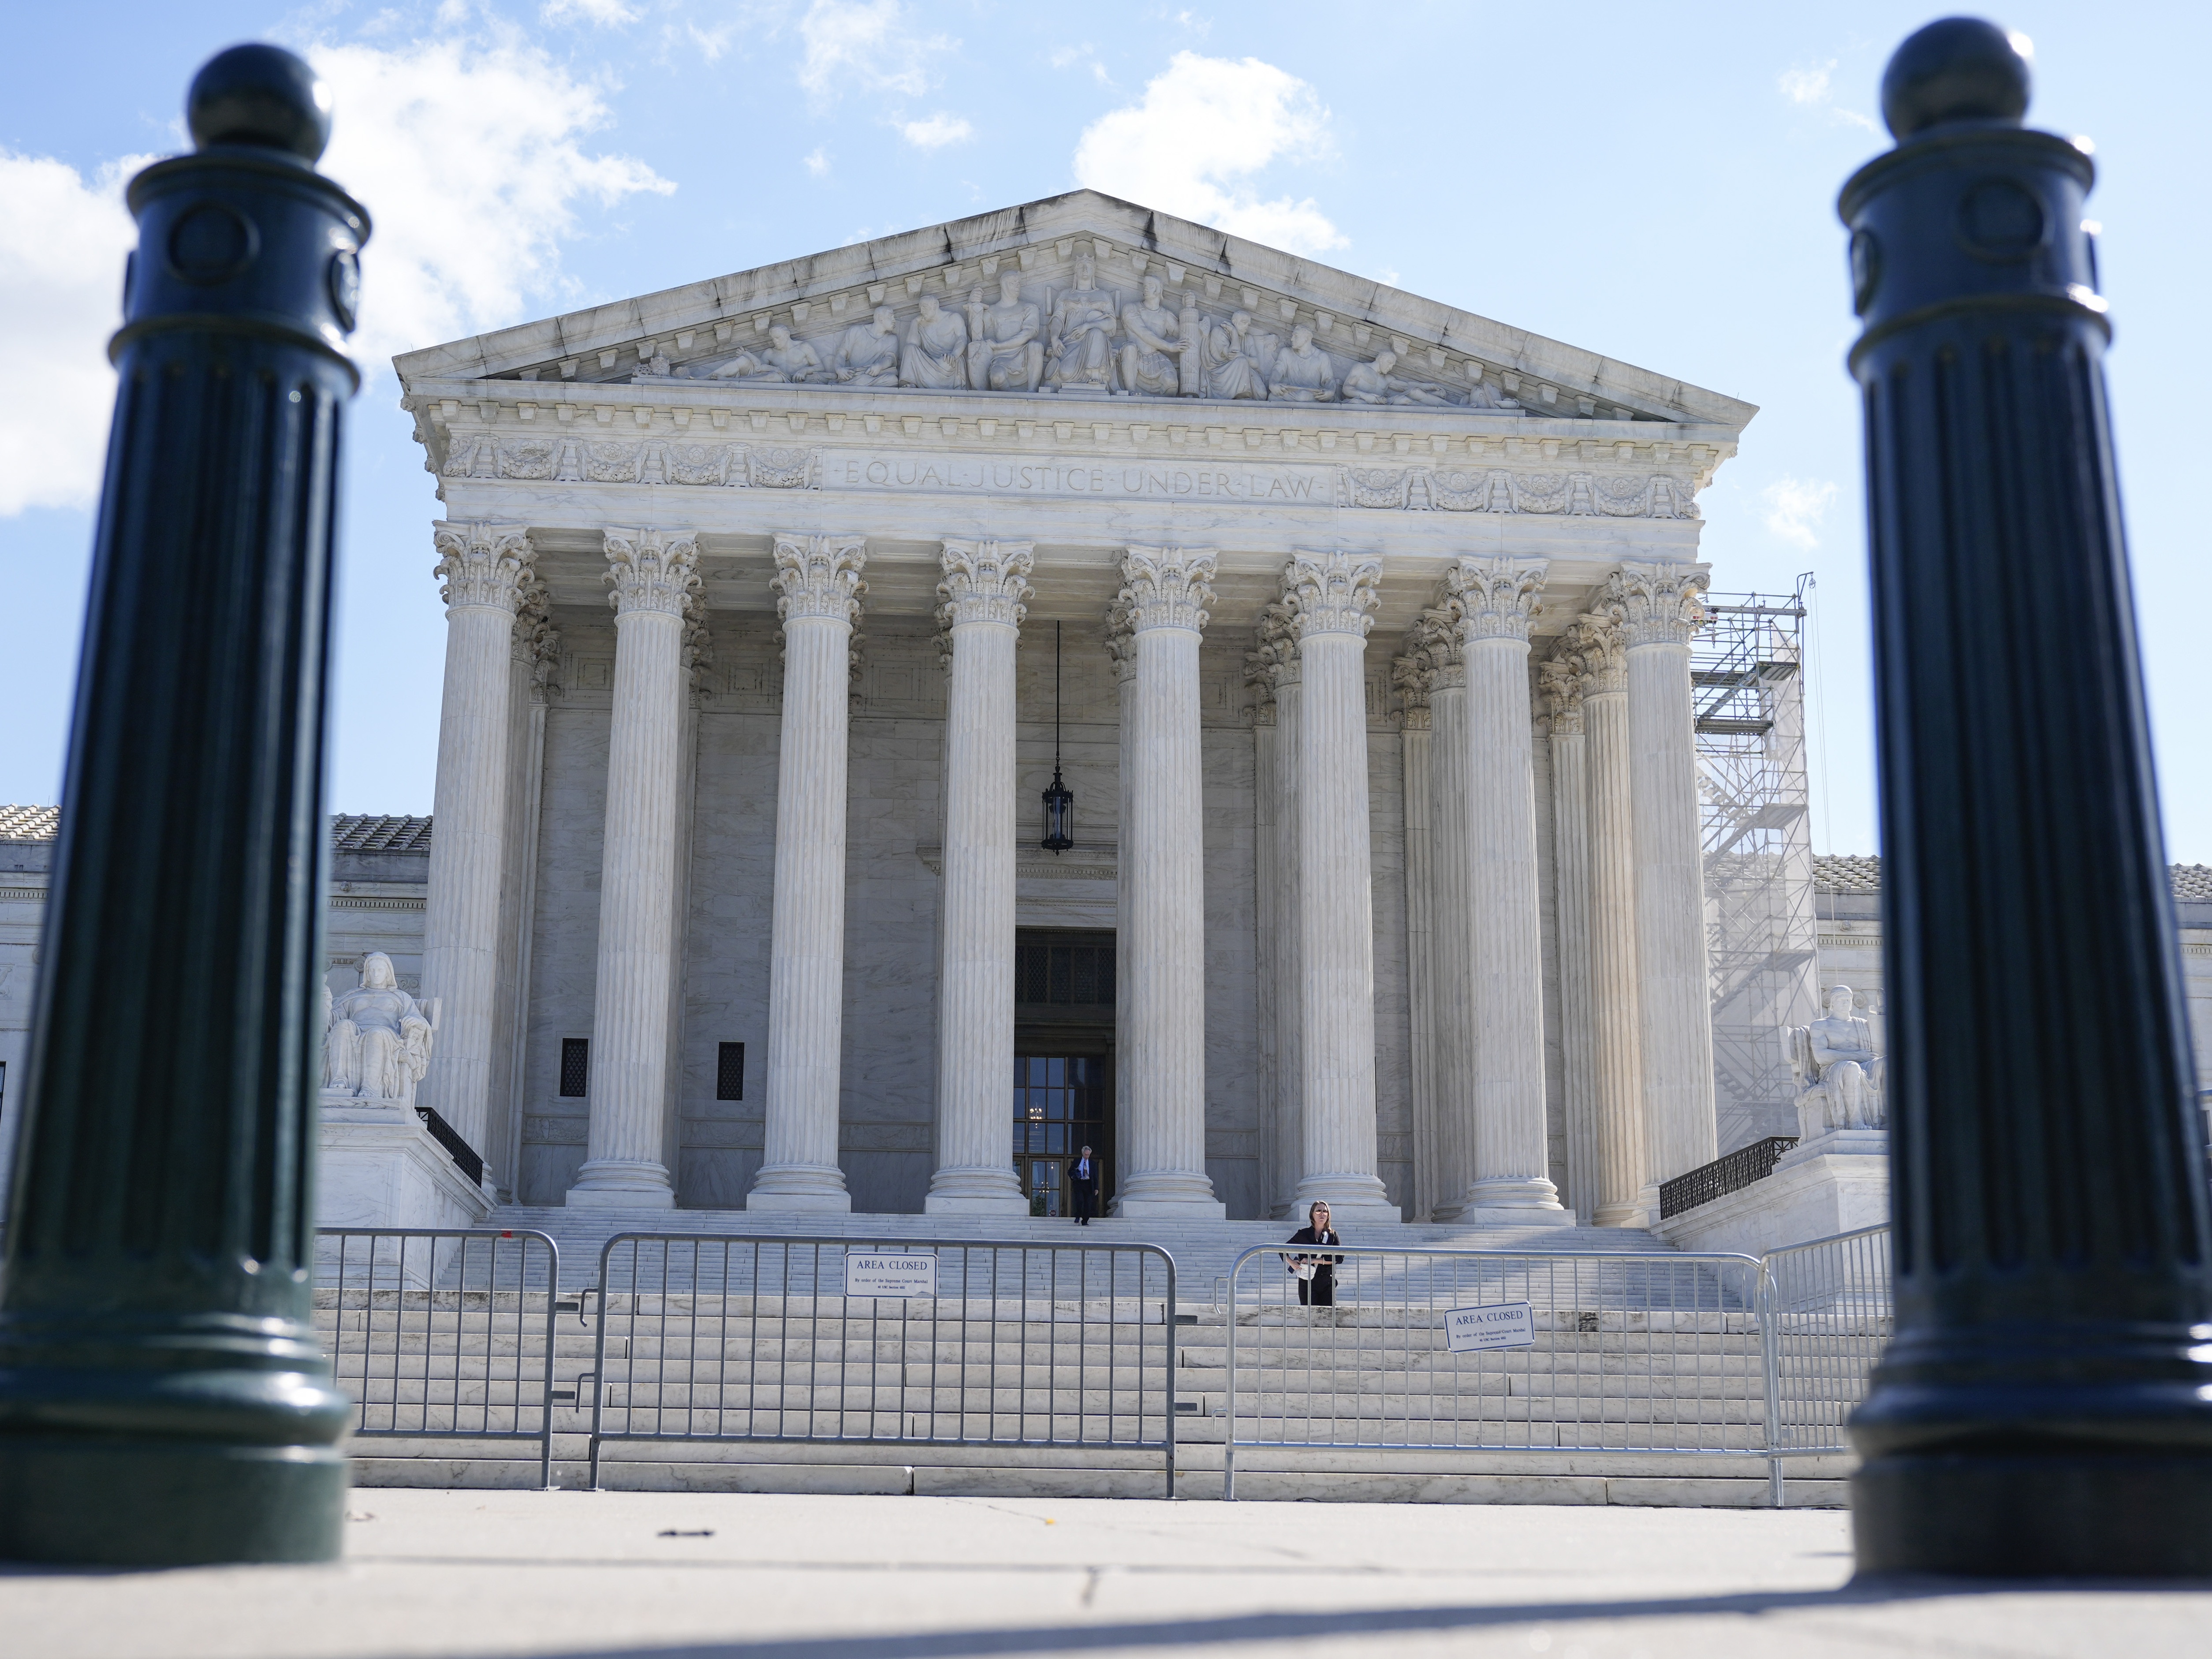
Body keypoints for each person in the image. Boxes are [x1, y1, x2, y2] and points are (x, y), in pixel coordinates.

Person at [1284, 1200, 1344, 1308]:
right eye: (1319, 1211)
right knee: (1309, 1318)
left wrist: (1314, 1261)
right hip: (1307, 1282)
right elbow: (1282, 1250)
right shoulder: (1303, 1234)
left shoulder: (1332, 1235)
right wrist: (1291, 1262)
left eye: (1325, 1211)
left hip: (1327, 1282)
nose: (1322, 1214)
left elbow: (1339, 1258)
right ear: (1312, 1214)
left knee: (1328, 1318)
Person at [1070, 1145, 1098, 1226]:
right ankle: (1078, 1216)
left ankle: (1085, 1221)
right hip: (1079, 1183)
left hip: (1089, 1184)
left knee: (1088, 1204)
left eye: (1088, 1155)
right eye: (1086, 1154)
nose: (1087, 1156)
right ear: (1083, 1153)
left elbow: (1096, 1176)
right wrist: (1073, 1177)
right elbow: (1070, 1171)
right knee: (1080, 1201)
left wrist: (1096, 1188)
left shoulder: (1093, 1164)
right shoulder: (1077, 1161)